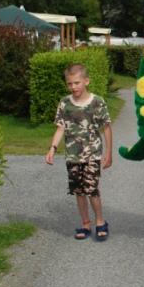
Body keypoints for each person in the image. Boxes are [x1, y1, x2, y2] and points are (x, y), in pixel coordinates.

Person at [46, 63, 113, 241]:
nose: (73, 87)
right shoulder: (64, 103)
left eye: (77, 83)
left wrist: (109, 153)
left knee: (91, 189)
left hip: (92, 154)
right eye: (70, 84)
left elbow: (106, 128)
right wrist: (53, 148)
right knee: (79, 190)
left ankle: (100, 221)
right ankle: (85, 224)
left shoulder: (97, 102)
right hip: (72, 155)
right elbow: (60, 128)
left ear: (86, 81)